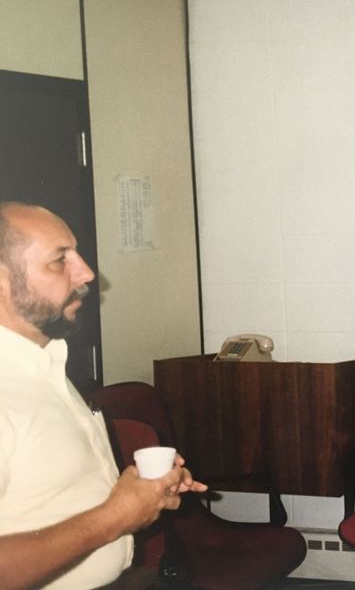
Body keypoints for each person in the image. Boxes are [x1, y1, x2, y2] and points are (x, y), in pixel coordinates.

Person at [0, 202, 208, 590]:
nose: (88, 273)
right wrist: (116, 516)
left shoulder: (46, 365)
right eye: (59, 261)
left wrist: (141, 495)